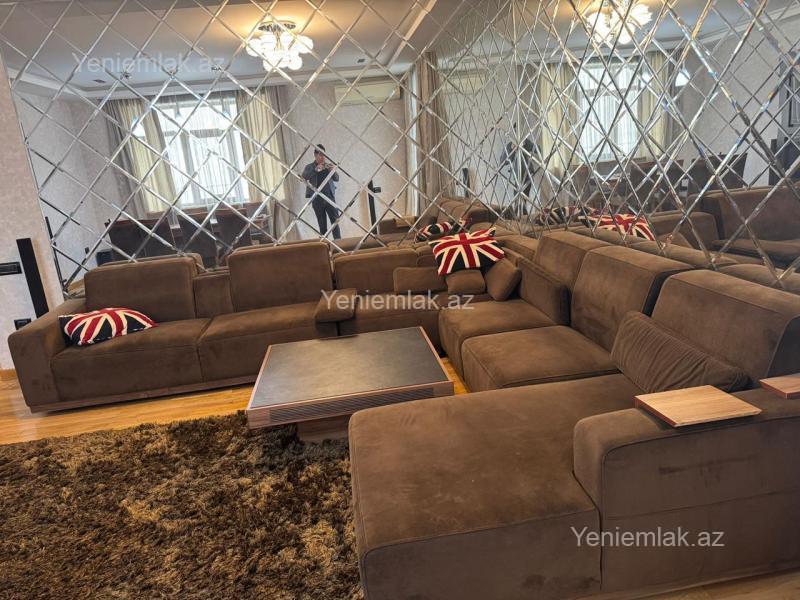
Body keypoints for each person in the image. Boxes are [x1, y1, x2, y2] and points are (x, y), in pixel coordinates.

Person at [302, 144, 341, 239]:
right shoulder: (309, 167)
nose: (323, 157)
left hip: (330, 198)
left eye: (324, 154)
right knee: (322, 226)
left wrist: (332, 171)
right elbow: (304, 178)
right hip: (317, 200)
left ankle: (339, 243)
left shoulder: (328, 166)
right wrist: (316, 169)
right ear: (315, 155)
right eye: (320, 155)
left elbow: (337, 179)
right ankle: (325, 245)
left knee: (335, 222)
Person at [499, 123, 538, 216]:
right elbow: (503, 161)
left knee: (524, 198)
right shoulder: (510, 145)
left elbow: (538, 150)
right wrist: (512, 149)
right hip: (516, 177)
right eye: (516, 132)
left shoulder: (527, 143)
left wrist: (527, 146)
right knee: (517, 200)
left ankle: (522, 216)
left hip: (527, 175)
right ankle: (520, 216)